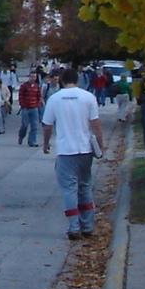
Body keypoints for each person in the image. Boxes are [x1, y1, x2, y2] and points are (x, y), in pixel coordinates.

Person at [40, 66, 105, 240]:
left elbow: (47, 125)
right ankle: (88, 225)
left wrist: (46, 143)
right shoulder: (88, 97)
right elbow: (96, 124)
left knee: (69, 189)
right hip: (85, 149)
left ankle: (74, 226)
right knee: (84, 186)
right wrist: (100, 144)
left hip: (65, 150)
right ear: (77, 80)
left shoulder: (54, 99)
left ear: (61, 80)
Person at [15, 72, 44, 147]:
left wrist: (38, 104)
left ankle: (32, 141)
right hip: (25, 108)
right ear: (29, 77)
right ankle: (21, 136)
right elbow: (20, 96)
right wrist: (22, 105)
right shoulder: (24, 86)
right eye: (32, 76)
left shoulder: (37, 86)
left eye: (34, 77)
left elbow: (39, 96)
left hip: (34, 108)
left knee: (34, 126)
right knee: (24, 125)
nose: (33, 78)